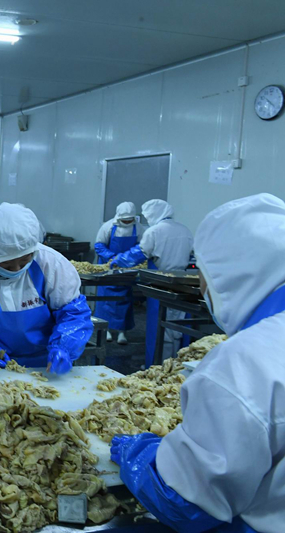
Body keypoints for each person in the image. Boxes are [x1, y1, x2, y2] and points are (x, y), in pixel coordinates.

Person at [111, 193, 285, 533]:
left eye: (202, 272)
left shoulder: (244, 363)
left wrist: (141, 455)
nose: (201, 285)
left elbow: (187, 503)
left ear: (226, 276)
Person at [0, 204, 93, 371]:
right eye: (6, 265)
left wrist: (64, 347)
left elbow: (73, 314)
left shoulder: (53, 265)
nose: (16, 270)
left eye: (24, 261)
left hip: (47, 365)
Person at [110, 200, 193, 366]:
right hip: (183, 284)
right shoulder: (185, 230)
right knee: (177, 326)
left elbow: (139, 254)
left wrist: (118, 260)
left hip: (160, 283)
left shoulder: (154, 231)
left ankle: (157, 366)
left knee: (159, 327)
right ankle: (177, 366)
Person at [93, 202, 145, 345]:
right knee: (105, 300)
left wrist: (128, 260)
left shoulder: (138, 228)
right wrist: (113, 257)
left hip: (127, 269)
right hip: (109, 267)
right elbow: (99, 246)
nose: (127, 222)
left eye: (129, 220)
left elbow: (142, 247)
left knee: (124, 299)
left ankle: (122, 332)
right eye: (124, 220)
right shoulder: (108, 226)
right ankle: (107, 330)